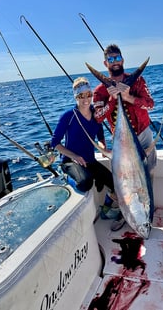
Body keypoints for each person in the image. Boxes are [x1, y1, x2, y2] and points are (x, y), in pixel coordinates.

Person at [93, 44, 157, 224]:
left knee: (148, 172)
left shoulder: (137, 81)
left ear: (122, 60)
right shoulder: (100, 91)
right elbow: (98, 118)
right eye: (111, 59)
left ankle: (146, 209)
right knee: (123, 179)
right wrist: (113, 99)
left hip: (143, 135)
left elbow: (150, 104)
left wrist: (127, 96)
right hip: (121, 140)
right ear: (106, 63)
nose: (115, 62)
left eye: (117, 58)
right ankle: (126, 211)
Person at [50, 77, 124, 230]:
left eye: (88, 95)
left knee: (117, 185)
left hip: (90, 161)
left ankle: (105, 210)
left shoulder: (95, 114)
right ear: (75, 97)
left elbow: (100, 134)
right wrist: (74, 156)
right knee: (85, 183)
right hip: (70, 162)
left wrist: (103, 146)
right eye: (80, 96)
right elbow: (55, 143)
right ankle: (64, 175)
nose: (86, 99)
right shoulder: (68, 116)